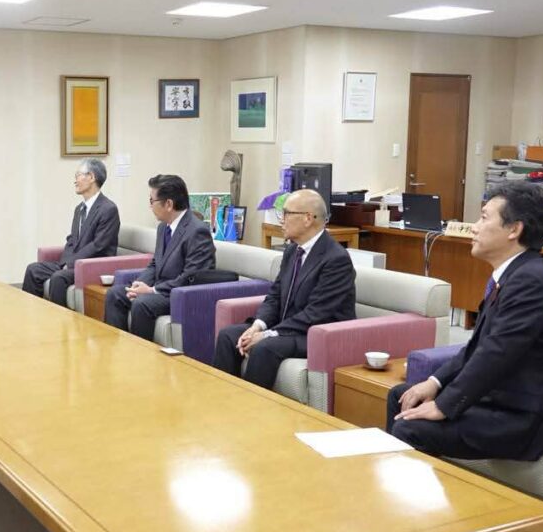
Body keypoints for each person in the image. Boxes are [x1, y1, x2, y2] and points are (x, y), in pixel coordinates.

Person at [387, 182, 543, 461]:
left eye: (484, 218)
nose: (474, 228)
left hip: (527, 417)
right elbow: (477, 347)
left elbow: (496, 354)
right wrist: (435, 382)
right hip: (500, 401)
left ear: (514, 230)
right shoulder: (513, 275)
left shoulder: (531, 282)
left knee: (410, 427)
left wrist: (444, 405)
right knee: (401, 396)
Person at [213, 189, 356, 389]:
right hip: (287, 328)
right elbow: (275, 296)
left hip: (314, 334)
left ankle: (252, 405)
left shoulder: (336, 259)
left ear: (308, 218)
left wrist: (268, 335)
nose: (281, 219)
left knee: (264, 347)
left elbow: (316, 314)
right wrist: (257, 327)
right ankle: (224, 399)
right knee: (228, 336)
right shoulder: (292, 251)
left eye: (287, 213)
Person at [104, 174, 215, 340]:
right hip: (160, 289)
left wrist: (152, 290)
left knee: (142, 304)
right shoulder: (163, 227)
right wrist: (138, 285)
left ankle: (140, 352)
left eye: (152, 201)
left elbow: (191, 276)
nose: (150, 206)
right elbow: (156, 263)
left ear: (168, 204)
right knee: (115, 294)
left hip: (179, 294)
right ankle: (116, 347)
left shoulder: (197, 231)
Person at [22, 158, 120, 306]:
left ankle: (58, 319)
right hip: (73, 263)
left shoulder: (108, 209)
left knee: (58, 278)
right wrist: (65, 262)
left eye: (78, 175)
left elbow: (98, 245)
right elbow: (72, 239)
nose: (75, 181)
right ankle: (31, 315)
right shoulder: (79, 209)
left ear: (91, 177)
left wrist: (70, 263)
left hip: (92, 266)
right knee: (33, 269)